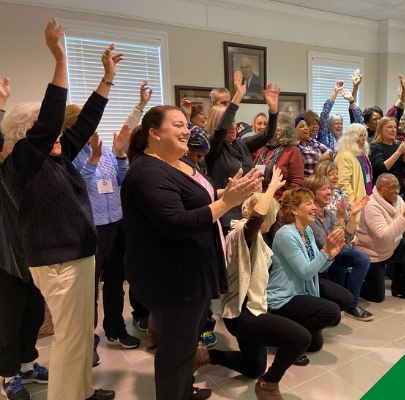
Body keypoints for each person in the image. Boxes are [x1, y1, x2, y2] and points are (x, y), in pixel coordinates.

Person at [0, 21, 119, 400]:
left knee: (80, 334)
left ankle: (81, 391)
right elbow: (53, 117)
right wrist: (60, 59)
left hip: (78, 255)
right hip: (57, 262)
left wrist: (107, 79)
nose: (57, 135)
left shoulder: (58, 155)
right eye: (45, 131)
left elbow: (85, 121)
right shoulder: (21, 163)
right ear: (26, 136)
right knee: (70, 338)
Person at [121, 103, 261, 400]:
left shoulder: (180, 162)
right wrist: (226, 203)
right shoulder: (147, 172)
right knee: (176, 351)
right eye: (178, 125)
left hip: (192, 274)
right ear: (154, 133)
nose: (187, 131)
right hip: (172, 280)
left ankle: (184, 390)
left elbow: (199, 197)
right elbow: (177, 223)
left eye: (186, 124)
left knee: (186, 345)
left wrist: (231, 192)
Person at [200, 167, 311, 400]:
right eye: (274, 213)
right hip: (242, 314)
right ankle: (269, 385)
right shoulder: (243, 232)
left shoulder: (257, 236)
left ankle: (204, 356)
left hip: (253, 308)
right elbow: (255, 219)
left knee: (254, 367)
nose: (276, 217)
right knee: (301, 338)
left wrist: (260, 192)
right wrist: (272, 188)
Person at [71, 113, 142, 363]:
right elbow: (76, 188)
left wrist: (120, 154)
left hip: (117, 224)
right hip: (90, 228)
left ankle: (115, 330)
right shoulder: (69, 154)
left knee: (115, 281)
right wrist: (92, 159)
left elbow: (122, 179)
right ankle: (86, 341)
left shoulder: (104, 151)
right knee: (88, 288)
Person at [0, 76, 49, 400]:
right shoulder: (5, 164)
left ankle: (29, 365)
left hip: (35, 254)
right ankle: (9, 374)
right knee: (8, 321)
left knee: (34, 313)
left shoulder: (35, 164)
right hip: (7, 258)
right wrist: (1, 104)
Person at [267, 188, 346, 354]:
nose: (314, 207)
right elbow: (306, 272)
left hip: (302, 293)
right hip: (283, 298)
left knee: (315, 344)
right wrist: (326, 251)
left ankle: (293, 333)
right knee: (331, 311)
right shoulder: (286, 235)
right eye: (309, 203)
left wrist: (330, 256)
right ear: (294, 210)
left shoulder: (307, 230)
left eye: (313, 203)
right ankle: (290, 340)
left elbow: (316, 268)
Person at [203, 73, 280, 235]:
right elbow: (221, 129)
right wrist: (238, 95)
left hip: (247, 211)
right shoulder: (212, 147)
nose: (233, 126)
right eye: (229, 122)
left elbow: (267, 134)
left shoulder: (242, 144)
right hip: (226, 215)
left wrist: (273, 110)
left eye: (234, 121)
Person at [304, 174, 372, 321]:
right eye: (324, 189)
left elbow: (346, 238)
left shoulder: (328, 213)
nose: (329, 192)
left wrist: (353, 214)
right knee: (361, 259)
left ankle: (350, 305)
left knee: (361, 259)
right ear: (312, 193)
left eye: (329, 188)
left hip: (333, 255)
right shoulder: (309, 216)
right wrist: (341, 218)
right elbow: (328, 243)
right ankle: (350, 304)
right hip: (320, 259)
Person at [354, 174, 405, 303]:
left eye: (398, 187)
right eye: (392, 187)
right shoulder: (371, 206)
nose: (397, 191)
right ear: (380, 189)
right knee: (377, 297)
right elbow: (384, 235)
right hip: (373, 253)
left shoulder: (398, 201)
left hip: (393, 246)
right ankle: (350, 280)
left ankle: (401, 290)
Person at [253, 113, 304, 200]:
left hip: (279, 203)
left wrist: (282, 203)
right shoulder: (262, 148)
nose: (266, 127)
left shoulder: (293, 152)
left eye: (271, 124)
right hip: (256, 199)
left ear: (282, 129)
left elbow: (296, 185)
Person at [369, 116, 405, 197]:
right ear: (380, 129)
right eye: (390, 127)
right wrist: (399, 152)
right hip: (383, 191)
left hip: (399, 188)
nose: (393, 130)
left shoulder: (398, 144)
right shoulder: (375, 146)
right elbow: (381, 168)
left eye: (395, 127)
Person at [334, 123, 372, 214]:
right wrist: (353, 202)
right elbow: (342, 183)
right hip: (355, 203)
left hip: (366, 198)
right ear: (351, 138)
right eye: (360, 136)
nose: (363, 139)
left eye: (365, 135)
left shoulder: (361, 153)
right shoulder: (345, 156)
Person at [317, 81, 363, 154]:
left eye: (341, 123)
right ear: (329, 125)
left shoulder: (346, 136)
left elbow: (360, 121)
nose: (339, 126)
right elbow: (324, 114)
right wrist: (335, 92)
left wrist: (351, 100)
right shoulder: (324, 135)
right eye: (336, 123)